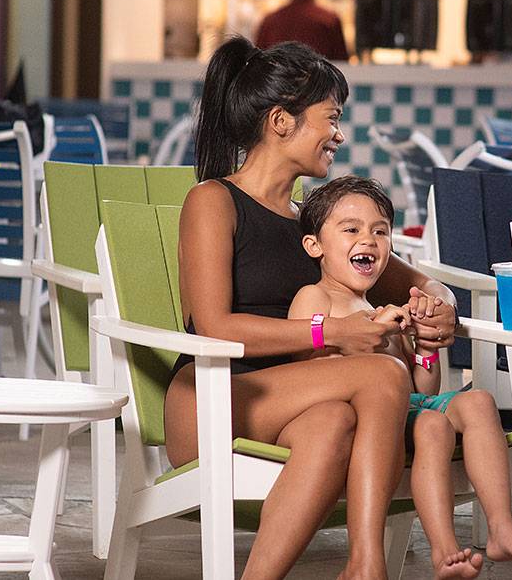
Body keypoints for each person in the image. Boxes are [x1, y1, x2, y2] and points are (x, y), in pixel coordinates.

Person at [169, 35, 458, 580]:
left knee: (333, 424)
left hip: (294, 402)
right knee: (383, 374)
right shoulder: (214, 200)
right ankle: (366, 563)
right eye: (331, 118)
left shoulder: (317, 227)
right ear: (282, 121)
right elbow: (214, 325)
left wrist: (441, 309)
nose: (339, 134)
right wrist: (333, 334)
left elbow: (422, 285)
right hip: (214, 396)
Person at [287, 176, 512, 580]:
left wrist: (425, 352)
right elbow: (305, 369)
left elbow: (421, 389)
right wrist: (355, 337)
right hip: (368, 422)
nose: (370, 240)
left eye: (381, 231)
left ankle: (501, 528)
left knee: (478, 400)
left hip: (405, 407)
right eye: (352, 229)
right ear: (314, 245)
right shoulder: (314, 298)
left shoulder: (380, 303)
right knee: (431, 425)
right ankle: (444, 550)